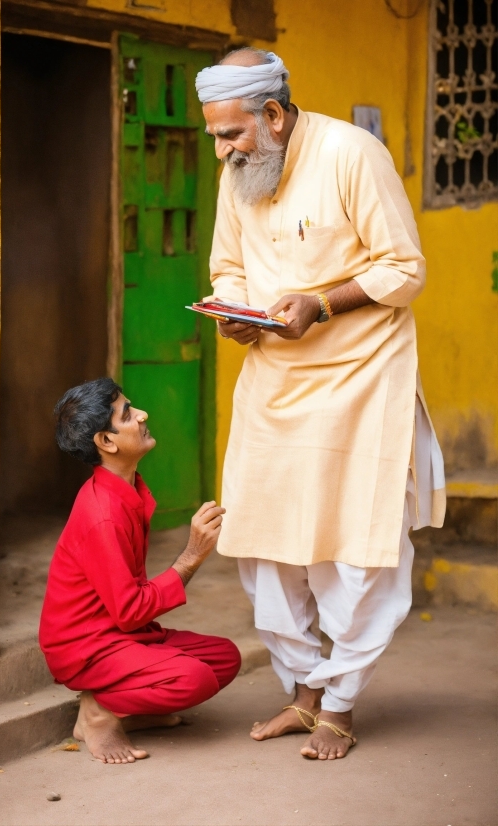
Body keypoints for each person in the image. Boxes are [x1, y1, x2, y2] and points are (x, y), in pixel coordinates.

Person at [195, 48, 446, 760]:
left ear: (273, 115)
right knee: (266, 549)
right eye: (217, 135)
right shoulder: (238, 169)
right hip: (275, 382)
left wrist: (320, 304)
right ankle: (302, 695)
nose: (224, 149)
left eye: (233, 133)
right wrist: (238, 313)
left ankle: (338, 706)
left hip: (361, 381)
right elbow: (228, 264)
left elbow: (404, 267)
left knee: (359, 551)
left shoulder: (352, 153)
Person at [39, 377, 241, 765]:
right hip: (86, 646)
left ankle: (131, 709)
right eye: (128, 414)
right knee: (192, 679)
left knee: (224, 658)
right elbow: (131, 609)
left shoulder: (125, 488)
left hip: (122, 632)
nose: (143, 415)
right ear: (107, 442)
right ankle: (98, 712)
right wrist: (191, 556)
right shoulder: (103, 515)